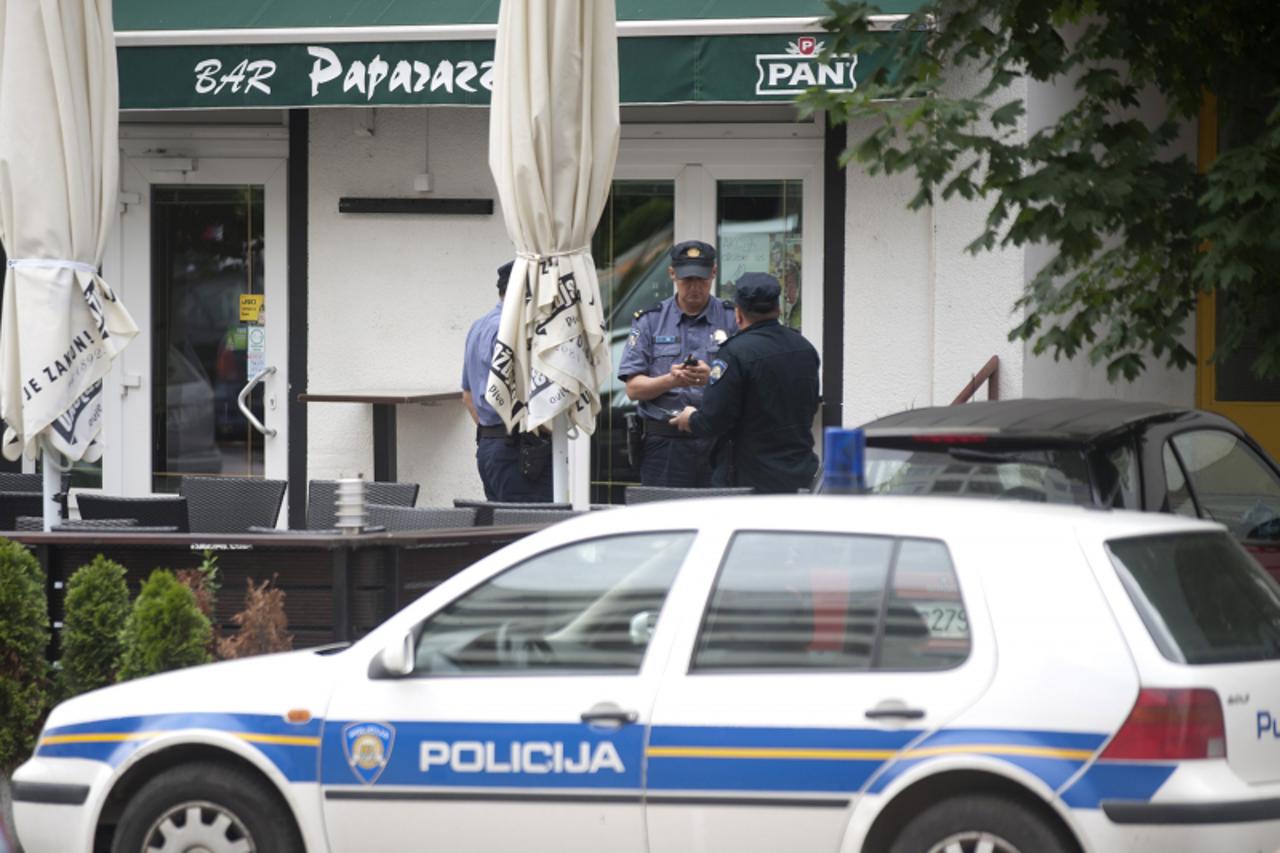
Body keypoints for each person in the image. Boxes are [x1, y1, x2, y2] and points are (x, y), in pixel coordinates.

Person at [670, 272, 820, 493]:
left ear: (738, 314)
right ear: (777, 309)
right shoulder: (804, 348)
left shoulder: (733, 354)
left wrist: (690, 417)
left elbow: (712, 421)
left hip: (749, 483)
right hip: (798, 476)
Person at [617, 240, 738, 487]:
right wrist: (670, 380)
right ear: (672, 274)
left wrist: (713, 377)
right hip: (665, 444)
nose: (694, 287)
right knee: (663, 520)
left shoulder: (732, 318)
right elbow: (633, 389)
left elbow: (749, 382)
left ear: (714, 273)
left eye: (701, 279)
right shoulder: (650, 321)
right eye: (687, 279)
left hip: (719, 441)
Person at [460, 260, 553, 502]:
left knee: (502, 528)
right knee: (527, 530)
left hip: (490, 445)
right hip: (518, 448)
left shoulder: (478, 326)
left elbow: (468, 396)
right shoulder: (512, 332)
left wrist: (494, 430)